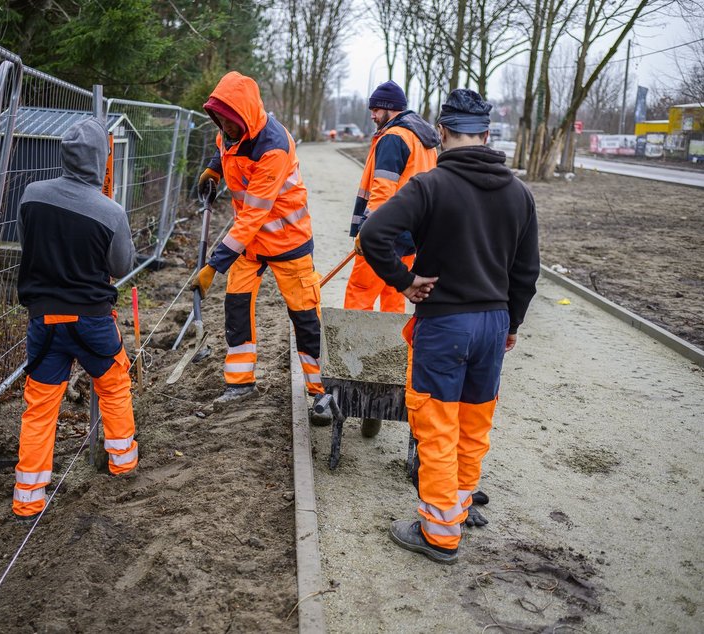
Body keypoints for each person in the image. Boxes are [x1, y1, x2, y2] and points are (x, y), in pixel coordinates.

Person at [358, 89, 540, 564]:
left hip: (444, 323)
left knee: (437, 426)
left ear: (441, 132)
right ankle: (457, 508)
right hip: (493, 323)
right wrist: (512, 323)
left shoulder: (430, 185)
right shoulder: (519, 193)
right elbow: (526, 272)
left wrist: (405, 281)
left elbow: (373, 234)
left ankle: (439, 533)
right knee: (474, 422)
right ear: (485, 133)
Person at [12, 117, 139, 521]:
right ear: (102, 160)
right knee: (115, 385)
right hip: (92, 323)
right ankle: (124, 467)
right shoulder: (110, 211)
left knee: (40, 406)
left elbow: (28, 241)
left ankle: (28, 499)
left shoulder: (31, 195)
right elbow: (121, 266)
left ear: (63, 153)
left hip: (44, 321)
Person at [192, 71, 329, 419]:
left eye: (229, 121)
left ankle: (321, 391)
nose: (224, 127)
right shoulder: (229, 130)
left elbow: (252, 217)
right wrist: (213, 170)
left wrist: (213, 265)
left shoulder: (274, 147)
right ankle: (239, 383)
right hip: (250, 246)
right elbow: (225, 150)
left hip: (288, 240)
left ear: (246, 116)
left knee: (304, 315)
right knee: (236, 306)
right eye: (219, 120)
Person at [344, 80, 439, 313]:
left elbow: (383, 190)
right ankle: (395, 350)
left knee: (360, 290)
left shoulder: (394, 137)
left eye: (376, 110)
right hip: (412, 233)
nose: (373, 116)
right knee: (394, 291)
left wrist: (367, 231)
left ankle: (351, 346)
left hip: (387, 233)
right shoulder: (424, 139)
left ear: (391, 107)